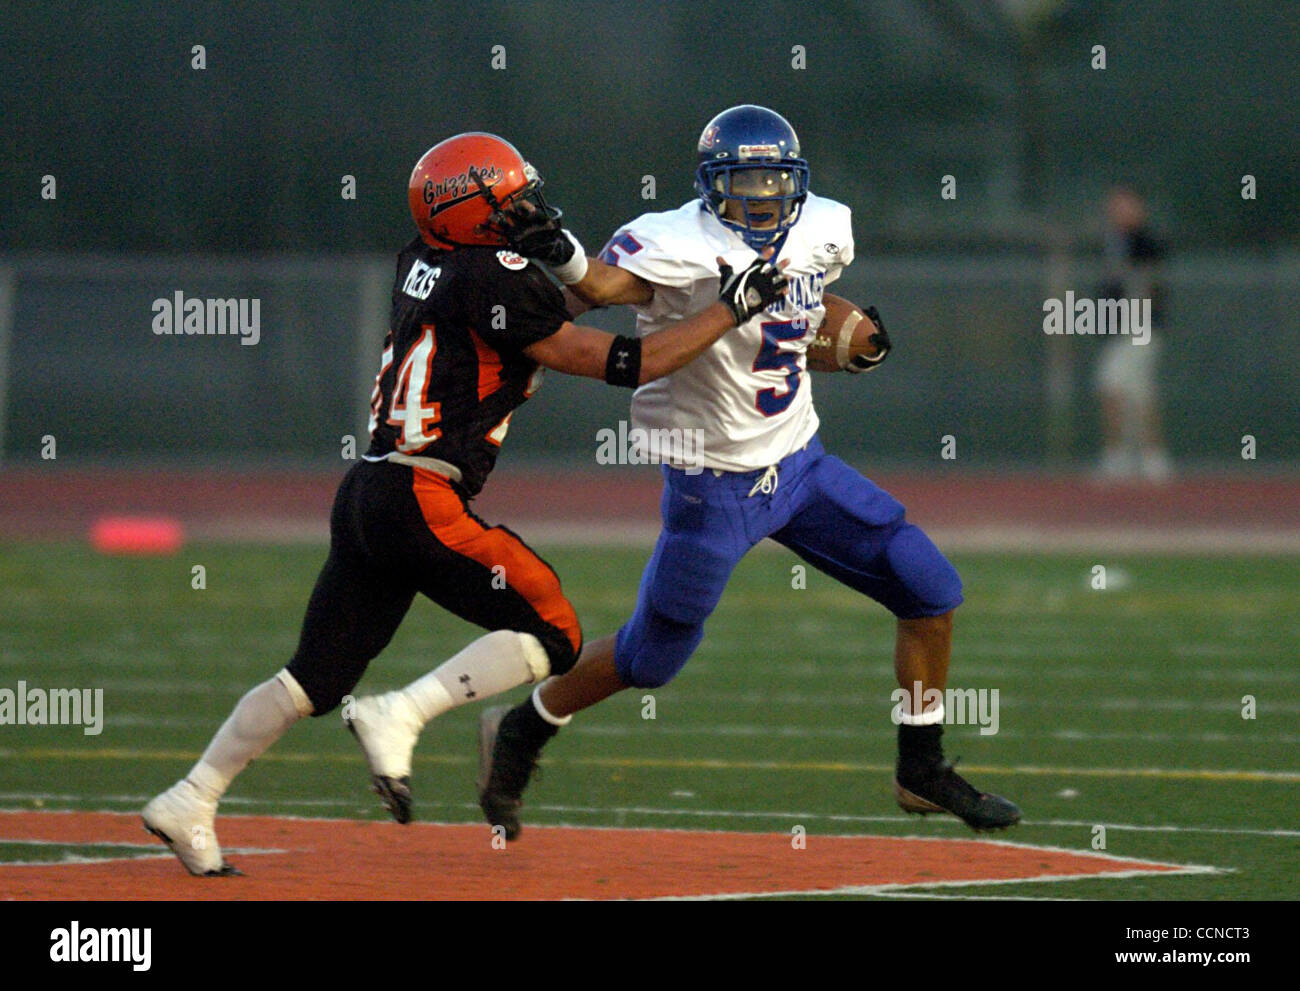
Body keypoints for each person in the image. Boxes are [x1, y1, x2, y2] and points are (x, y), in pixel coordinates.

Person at [141, 131, 788, 875]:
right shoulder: (495, 276)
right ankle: (401, 710)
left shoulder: (421, 259)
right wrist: (729, 310)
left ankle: (193, 795)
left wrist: (566, 261)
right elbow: (629, 362)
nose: (526, 210)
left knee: (311, 678)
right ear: (474, 209)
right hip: (422, 495)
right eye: (512, 201)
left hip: (368, 490)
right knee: (557, 632)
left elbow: (531, 311)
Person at [475, 105, 1021, 838]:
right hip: (714, 486)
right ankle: (523, 727)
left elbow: (807, 300)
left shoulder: (826, 225)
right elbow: (602, 288)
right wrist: (564, 251)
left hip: (800, 463)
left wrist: (850, 336)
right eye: (745, 179)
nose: (761, 194)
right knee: (650, 656)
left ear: (795, 180)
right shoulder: (673, 241)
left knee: (928, 586)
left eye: (773, 177)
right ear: (712, 185)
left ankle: (919, 767)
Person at [1094, 186, 1172, 481]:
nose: (1117, 212)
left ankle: (1147, 457)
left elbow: (1148, 282)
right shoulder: (1111, 241)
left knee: (1130, 391)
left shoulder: (1147, 242)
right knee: (1122, 391)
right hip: (1118, 331)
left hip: (1140, 328)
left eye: (1124, 206)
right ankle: (1131, 457)